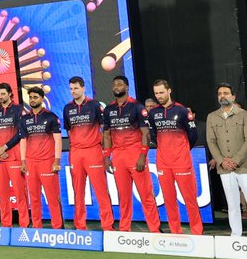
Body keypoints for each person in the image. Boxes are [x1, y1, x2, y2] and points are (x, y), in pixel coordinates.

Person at [103, 76, 159, 233]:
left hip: (135, 154)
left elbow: (145, 133)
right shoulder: (109, 109)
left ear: (127, 87)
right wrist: (106, 157)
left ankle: (154, 229)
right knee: (123, 196)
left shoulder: (136, 106)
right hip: (118, 155)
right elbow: (106, 135)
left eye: (120, 84)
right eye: (114, 85)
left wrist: (142, 155)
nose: (117, 87)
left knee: (146, 194)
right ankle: (124, 228)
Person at [206, 83, 247, 238]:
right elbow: (211, 141)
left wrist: (236, 160)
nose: (222, 96)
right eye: (219, 93)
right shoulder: (212, 116)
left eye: (226, 93)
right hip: (224, 167)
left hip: (245, 165)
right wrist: (221, 160)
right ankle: (236, 235)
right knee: (232, 204)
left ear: (233, 96)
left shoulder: (244, 115)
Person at [148, 79, 204, 235]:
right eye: (156, 93)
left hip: (182, 163)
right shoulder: (153, 113)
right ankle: (175, 232)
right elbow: (153, 136)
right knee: (169, 200)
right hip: (163, 163)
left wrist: (183, 150)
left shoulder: (182, 111)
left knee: (190, 200)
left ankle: (197, 232)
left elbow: (193, 135)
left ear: (169, 91)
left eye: (161, 92)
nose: (159, 96)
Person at [63, 77, 112, 231]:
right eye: (71, 89)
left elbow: (104, 129)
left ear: (83, 88)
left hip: (93, 151)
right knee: (78, 191)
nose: (73, 91)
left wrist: (105, 153)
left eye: (76, 88)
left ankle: (107, 225)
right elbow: (69, 131)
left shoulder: (94, 105)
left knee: (101, 191)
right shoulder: (67, 108)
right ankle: (80, 225)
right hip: (76, 153)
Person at [0, 83, 28, 227]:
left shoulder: (18, 110)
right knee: (2, 194)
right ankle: (6, 223)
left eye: (3, 94)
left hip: (14, 157)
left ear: (10, 94)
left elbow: (20, 133)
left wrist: (5, 147)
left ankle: (24, 222)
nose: (0, 97)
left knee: (20, 193)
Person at [23, 86, 63, 229]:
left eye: (35, 97)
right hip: (31, 162)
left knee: (52, 197)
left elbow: (58, 140)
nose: (32, 100)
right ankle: (36, 227)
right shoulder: (25, 119)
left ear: (42, 99)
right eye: (31, 97)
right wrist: (23, 161)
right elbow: (23, 141)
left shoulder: (51, 117)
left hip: (47, 162)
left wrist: (57, 160)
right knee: (33, 198)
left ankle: (57, 227)